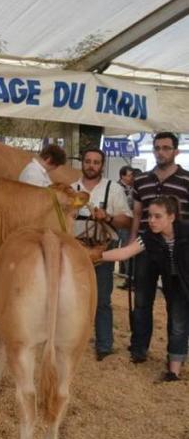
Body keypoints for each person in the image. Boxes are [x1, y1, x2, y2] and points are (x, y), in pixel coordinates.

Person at [93, 196, 189, 382]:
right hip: (173, 284)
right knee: (178, 323)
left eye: (157, 216)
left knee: (179, 324)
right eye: (149, 216)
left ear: (172, 217)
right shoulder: (149, 237)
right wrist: (95, 256)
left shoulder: (186, 232)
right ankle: (173, 373)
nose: (151, 221)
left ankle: (175, 365)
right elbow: (125, 252)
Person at [128, 132, 189, 364]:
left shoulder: (187, 179)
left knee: (177, 304)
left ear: (176, 151)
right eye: (157, 147)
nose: (161, 152)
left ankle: (176, 355)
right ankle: (139, 349)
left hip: (178, 251)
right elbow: (136, 214)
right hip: (146, 248)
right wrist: (132, 241)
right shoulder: (141, 179)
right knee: (142, 301)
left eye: (166, 147)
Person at [71, 148, 132, 361]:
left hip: (103, 249)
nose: (91, 165)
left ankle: (104, 344)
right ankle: (73, 339)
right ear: (82, 163)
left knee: (102, 298)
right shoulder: (72, 189)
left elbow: (127, 220)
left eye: (96, 162)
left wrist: (107, 217)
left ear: (102, 165)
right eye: (88, 161)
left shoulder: (113, 189)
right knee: (73, 296)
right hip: (75, 249)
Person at [117, 165, 137, 284]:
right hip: (116, 223)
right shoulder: (115, 188)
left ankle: (129, 279)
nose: (131, 177)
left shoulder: (133, 188)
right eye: (129, 175)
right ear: (122, 176)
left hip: (127, 224)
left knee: (126, 250)